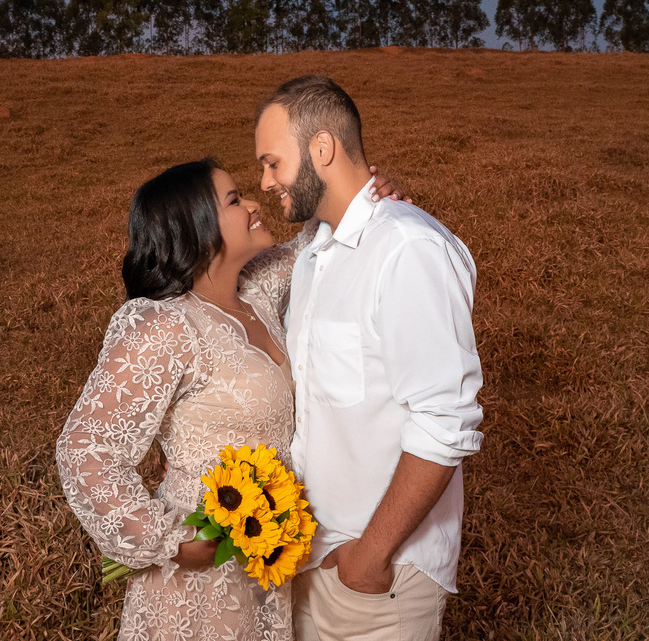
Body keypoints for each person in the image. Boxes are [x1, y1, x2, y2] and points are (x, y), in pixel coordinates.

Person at [56, 158, 404, 641]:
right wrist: (172, 541)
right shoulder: (164, 326)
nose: (254, 205)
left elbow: (317, 240)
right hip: (196, 576)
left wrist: (365, 194)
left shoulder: (257, 291)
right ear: (194, 228)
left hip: (264, 560)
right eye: (236, 200)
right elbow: (85, 450)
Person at [254, 75, 484, 641]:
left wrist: (370, 557)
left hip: (380, 581)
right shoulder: (313, 253)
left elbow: (446, 421)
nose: (264, 182)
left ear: (322, 149)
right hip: (308, 562)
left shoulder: (407, 248)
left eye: (271, 162)